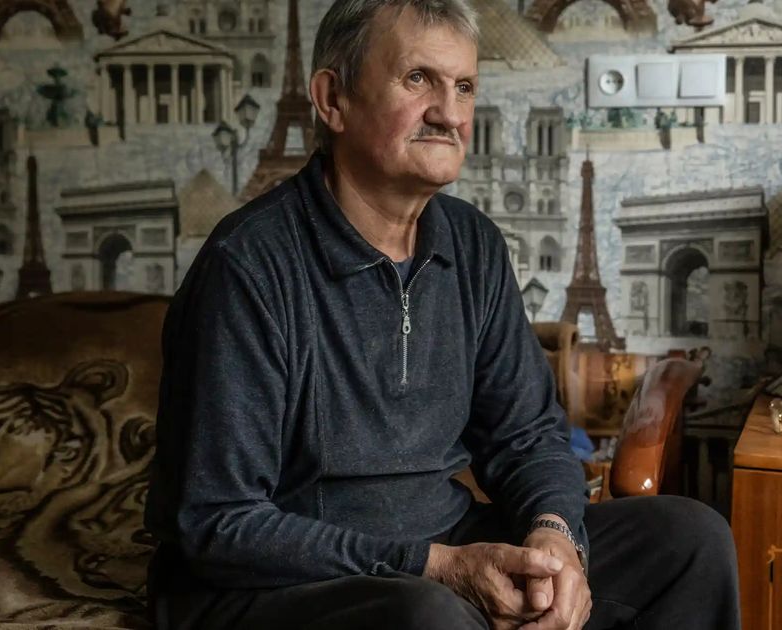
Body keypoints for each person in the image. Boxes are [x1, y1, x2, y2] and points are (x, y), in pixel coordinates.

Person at [145, 1, 741, 628]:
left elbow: (525, 435)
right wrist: (435, 567)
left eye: (464, 87)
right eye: (417, 79)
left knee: (690, 540)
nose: (450, 113)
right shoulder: (247, 266)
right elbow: (218, 521)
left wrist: (556, 538)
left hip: (439, 546)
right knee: (428, 614)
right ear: (332, 100)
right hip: (280, 578)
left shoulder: (473, 244)